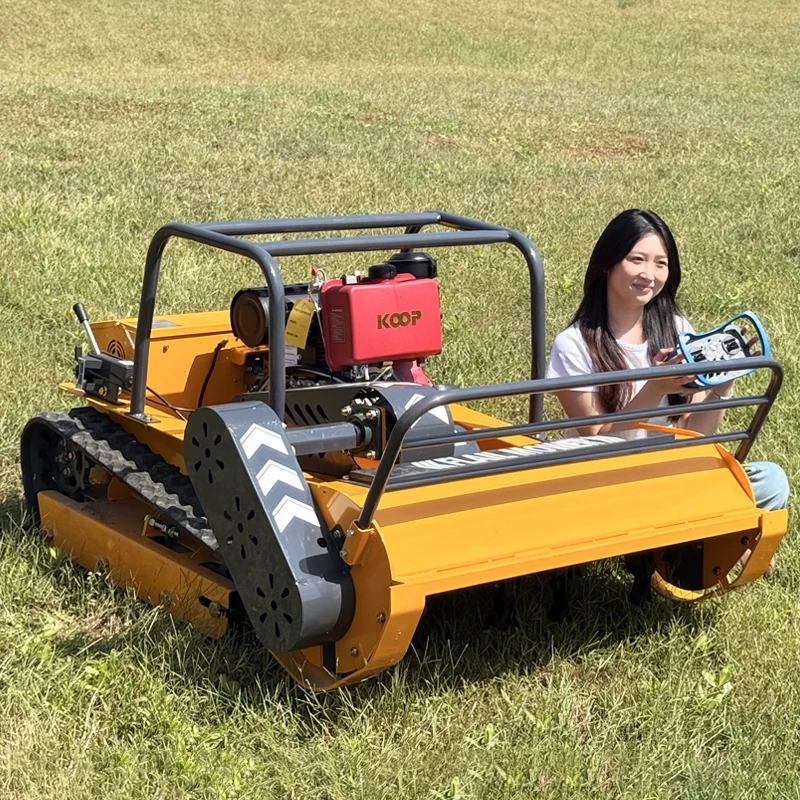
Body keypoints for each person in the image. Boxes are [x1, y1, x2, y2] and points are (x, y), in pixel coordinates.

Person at [545, 208, 789, 516]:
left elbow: (697, 437)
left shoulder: (677, 330)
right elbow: (598, 440)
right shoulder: (574, 345)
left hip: (669, 476)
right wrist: (654, 387)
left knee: (771, 480)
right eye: (637, 259)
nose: (649, 274)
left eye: (661, 263)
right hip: (604, 485)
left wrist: (721, 385)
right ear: (608, 263)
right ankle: (697, 535)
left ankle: (685, 530)